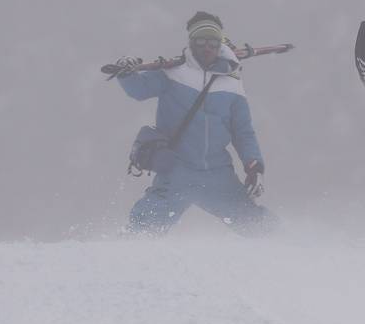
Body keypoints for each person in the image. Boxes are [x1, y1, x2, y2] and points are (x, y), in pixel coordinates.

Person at [114, 12, 276, 236]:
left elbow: (243, 132)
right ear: (191, 42)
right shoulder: (172, 73)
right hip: (176, 170)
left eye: (212, 41)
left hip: (217, 174)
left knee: (255, 223)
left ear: (220, 44)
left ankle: (293, 250)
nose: (206, 47)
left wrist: (254, 166)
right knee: (143, 228)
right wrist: (126, 72)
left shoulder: (232, 82)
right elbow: (138, 90)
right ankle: (123, 259)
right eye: (200, 41)